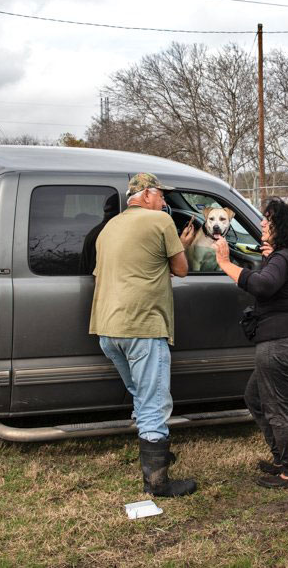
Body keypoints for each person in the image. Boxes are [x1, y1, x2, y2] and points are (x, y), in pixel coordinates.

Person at [89, 172, 197, 497]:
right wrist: (183, 245)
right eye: (162, 197)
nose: (165, 203)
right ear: (147, 195)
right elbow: (180, 269)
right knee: (154, 403)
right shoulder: (160, 222)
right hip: (142, 327)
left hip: (108, 329)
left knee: (141, 395)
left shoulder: (109, 228)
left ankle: (156, 453)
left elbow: (134, 267)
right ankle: (157, 482)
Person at [214, 198, 288, 489]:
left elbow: (261, 285)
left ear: (280, 227)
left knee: (279, 409)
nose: (262, 222)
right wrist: (273, 256)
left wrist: (224, 262)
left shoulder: (285, 257)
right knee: (255, 398)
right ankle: (281, 460)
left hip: (280, 345)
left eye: (268, 219)